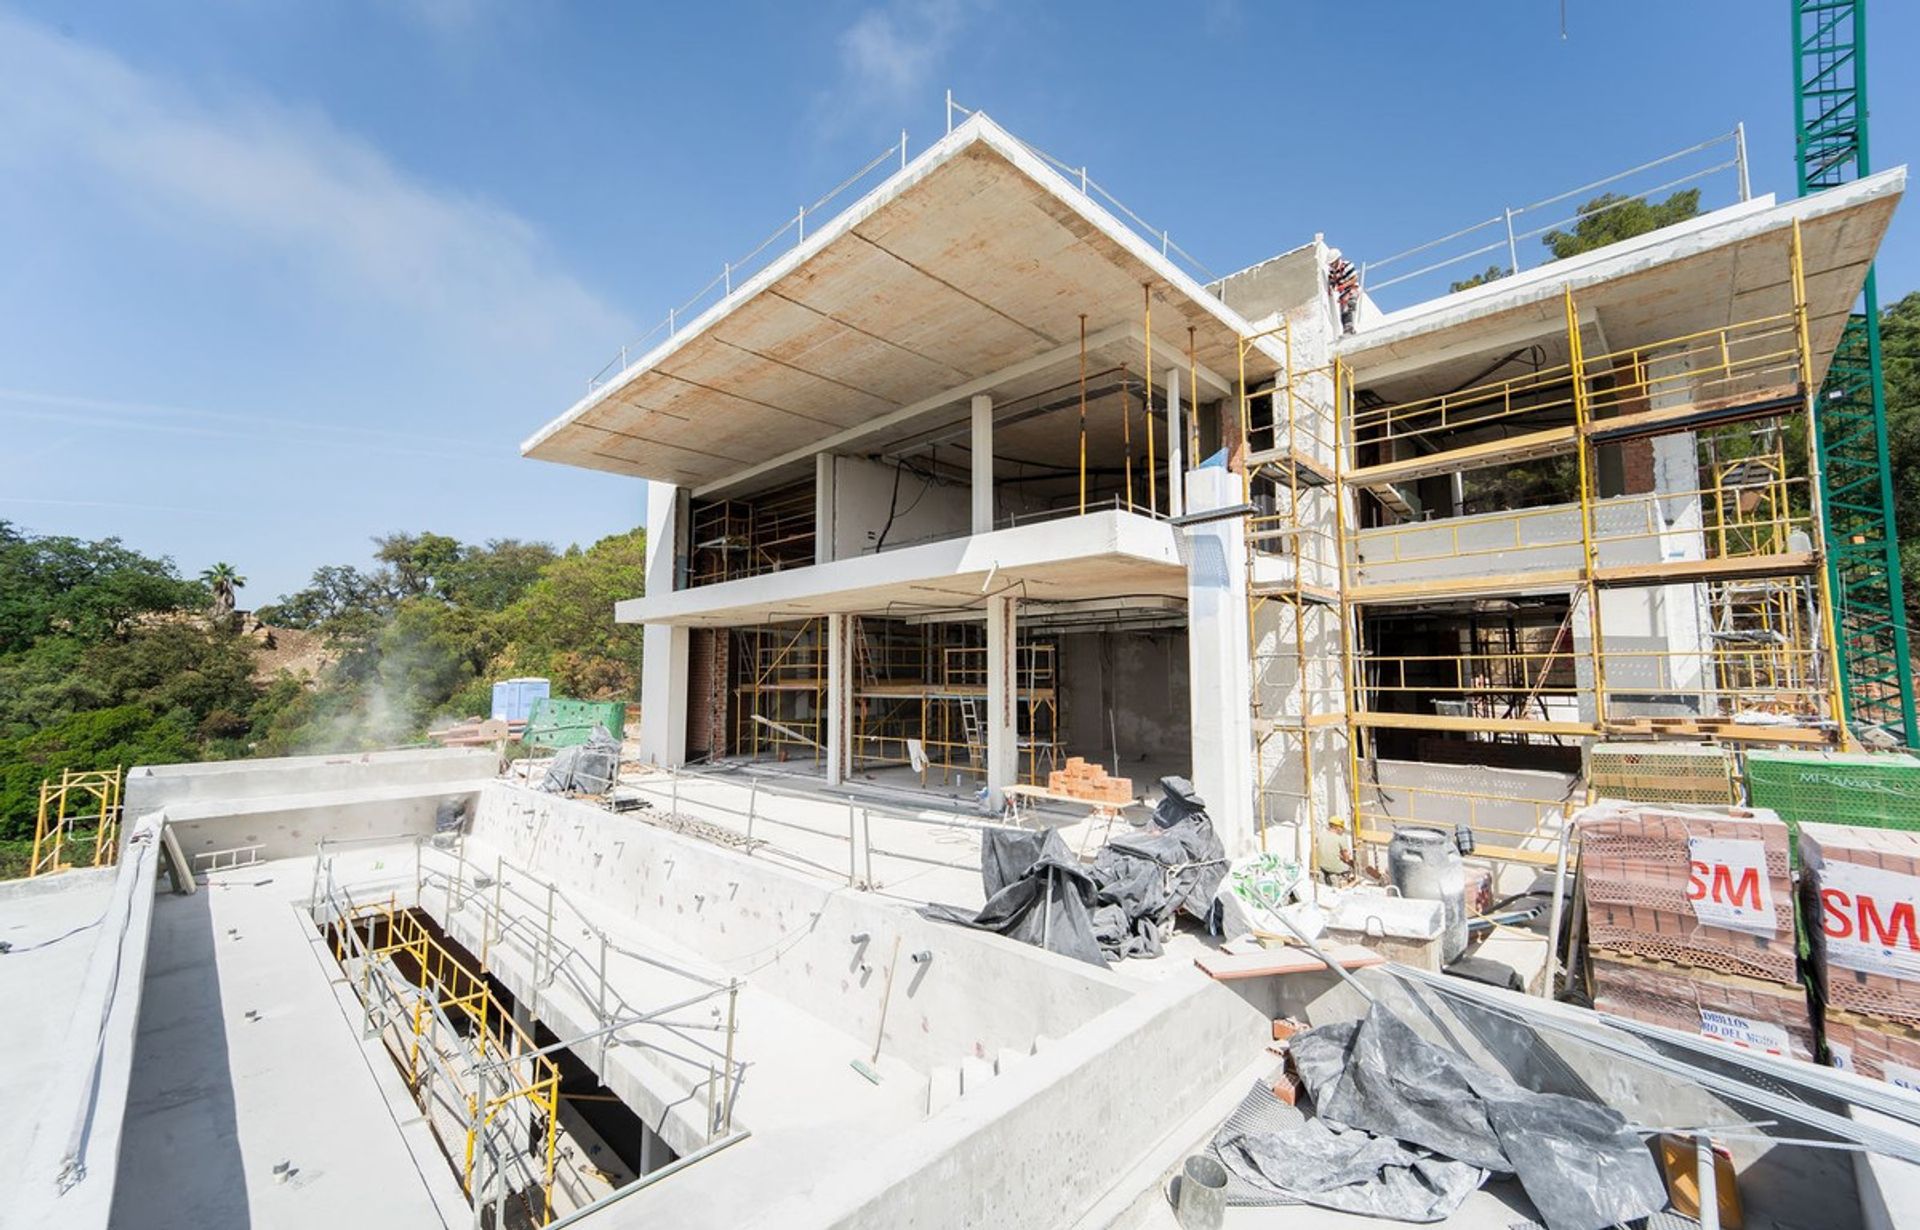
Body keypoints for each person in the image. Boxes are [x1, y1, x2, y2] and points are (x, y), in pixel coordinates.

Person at [1315, 815, 1354, 885]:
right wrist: (1345, 859)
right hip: (1335, 867)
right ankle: (1336, 876)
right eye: (1342, 827)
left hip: (1321, 865)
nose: (1343, 830)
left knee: (1327, 865)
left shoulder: (1321, 834)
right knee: (1350, 868)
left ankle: (1325, 875)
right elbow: (1346, 858)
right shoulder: (1341, 838)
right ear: (1336, 827)